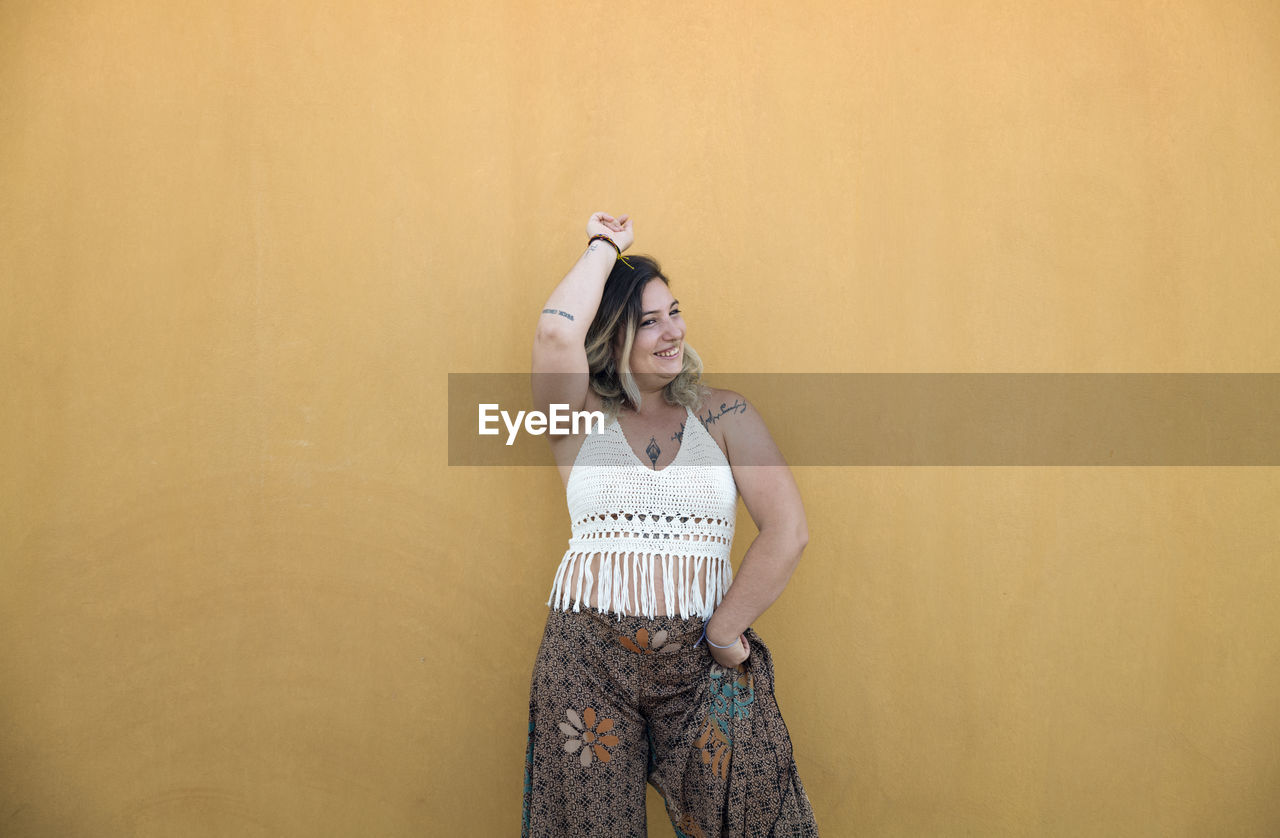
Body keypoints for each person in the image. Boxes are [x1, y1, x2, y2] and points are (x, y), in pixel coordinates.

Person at [522, 212, 818, 837]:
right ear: (612, 335)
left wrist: (724, 632)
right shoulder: (573, 413)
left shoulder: (725, 412)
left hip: (701, 659)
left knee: (756, 818)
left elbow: (787, 529)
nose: (671, 332)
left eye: (674, 312)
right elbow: (555, 333)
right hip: (587, 661)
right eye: (647, 321)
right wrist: (606, 248)